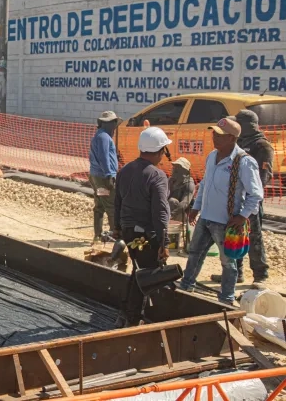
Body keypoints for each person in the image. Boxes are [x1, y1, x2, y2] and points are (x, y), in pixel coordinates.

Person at [179, 117, 264, 305]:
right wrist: (196, 207)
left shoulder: (244, 162)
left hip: (226, 222)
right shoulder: (212, 156)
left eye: (220, 135)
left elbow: (256, 195)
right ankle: (186, 285)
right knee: (195, 253)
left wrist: (242, 216)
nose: (214, 137)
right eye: (214, 133)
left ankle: (226, 297)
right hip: (206, 218)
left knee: (228, 263)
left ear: (232, 138)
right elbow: (205, 186)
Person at [113, 127, 172, 327]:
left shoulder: (125, 170)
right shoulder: (157, 176)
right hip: (148, 235)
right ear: (160, 150)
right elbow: (161, 212)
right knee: (147, 275)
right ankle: (133, 318)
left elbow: (117, 202)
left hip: (129, 232)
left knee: (138, 270)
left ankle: (125, 313)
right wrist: (164, 242)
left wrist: (117, 228)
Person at [211, 110, 272, 286]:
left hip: (250, 202)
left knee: (253, 238)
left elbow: (264, 176)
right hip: (233, 200)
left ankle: (261, 274)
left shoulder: (261, 146)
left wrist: (248, 196)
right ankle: (235, 273)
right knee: (233, 236)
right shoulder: (239, 143)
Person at [89, 111, 122, 243]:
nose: (115, 126)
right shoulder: (103, 137)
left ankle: (97, 235)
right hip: (103, 177)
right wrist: (109, 174)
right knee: (112, 206)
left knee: (99, 206)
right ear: (106, 124)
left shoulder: (100, 136)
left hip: (96, 176)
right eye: (113, 123)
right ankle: (116, 236)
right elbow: (103, 157)